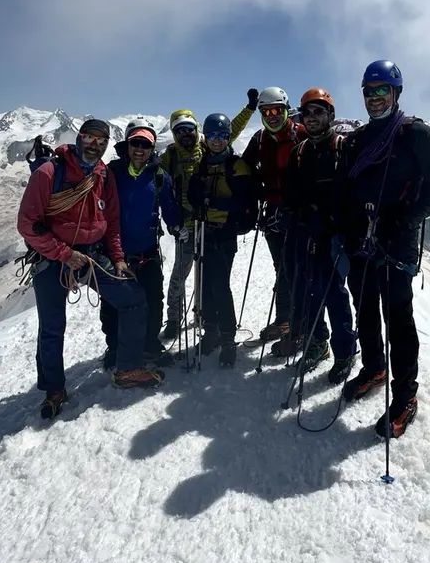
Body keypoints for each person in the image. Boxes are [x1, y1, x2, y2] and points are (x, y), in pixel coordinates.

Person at [17, 117, 164, 420]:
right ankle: (54, 389)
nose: (95, 144)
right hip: (54, 259)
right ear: (79, 138)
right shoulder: (49, 173)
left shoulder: (103, 176)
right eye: (89, 137)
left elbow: (110, 226)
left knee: (133, 300)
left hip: (93, 255)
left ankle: (127, 369)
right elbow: (27, 225)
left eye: (101, 140)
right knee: (52, 326)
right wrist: (64, 254)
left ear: (107, 144)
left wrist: (119, 258)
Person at [335, 61, 430, 439]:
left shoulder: (415, 134)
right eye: (369, 92)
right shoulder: (359, 139)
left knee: (398, 319)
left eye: (382, 90)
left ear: (396, 93)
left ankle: (405, 396)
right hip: (362, 239)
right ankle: (374, 368)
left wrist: (405, 220)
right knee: (364, 308)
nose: (375, 98)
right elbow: (349, 189)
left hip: (395, 241)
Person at [277, 87, 357, 381]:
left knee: (333, 293)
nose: (311, 118)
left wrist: (337, 224)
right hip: (305, 233)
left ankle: (346, 351)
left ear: (329, 115)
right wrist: (289, 213)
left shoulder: (343, 149)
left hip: (334, 236)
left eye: (318, 112)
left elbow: (353, 193)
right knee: (308, 291)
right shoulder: (300, 152)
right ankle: (317, 342)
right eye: (307, 113)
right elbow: (291, 193)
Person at [159, 99, 254, 341]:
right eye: (179, 131)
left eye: (188, 129)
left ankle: (204, 318)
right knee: (179, 276)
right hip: (185, 225)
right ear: (174, 133)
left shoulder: (207, 147)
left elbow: (231, 127)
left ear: (196, 130)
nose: (185, 135)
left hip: (207, 225)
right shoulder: (169, 156)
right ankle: (173, 320)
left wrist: (249, 109)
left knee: (207, 278)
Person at [99, 118, 182, 372]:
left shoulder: (159, 177)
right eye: (135, 142)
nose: (139, 149)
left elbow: (168, 208)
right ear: (127, 144)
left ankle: (148, 343)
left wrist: (178, 226)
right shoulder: (110, 173)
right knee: (113, 303)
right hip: (115, 252)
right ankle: (114, 347)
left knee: (153, 300)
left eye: (145, 144)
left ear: (152, 148)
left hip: (147, 251)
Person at [187, 112, 257, 367]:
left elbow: (242, 201)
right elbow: (193, 196)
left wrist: (210, 200)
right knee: (204, 284)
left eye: (222, 136)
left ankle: (227, 337)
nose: (216, 141)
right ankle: (211, 330)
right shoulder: (202, 164)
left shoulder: (236, 166)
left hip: (224, 232)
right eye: (212, 136)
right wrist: (200, 199)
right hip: (205, 229)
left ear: (228, 137)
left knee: (219, 284)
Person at [240, 86, 308, 342]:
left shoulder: (301, 134)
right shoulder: (259, 139)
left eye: (276, 110)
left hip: (298, 214)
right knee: (282, 268)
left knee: (298, 269)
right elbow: (243, 168)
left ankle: (300, 325)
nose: (271, 115)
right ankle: (285, 320)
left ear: (286, 110)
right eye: (265, 111)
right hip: (272, 214)